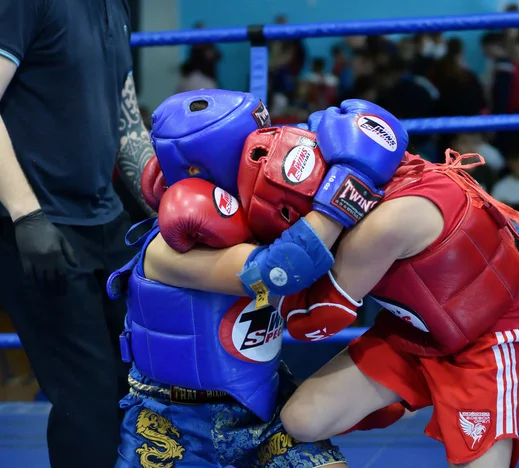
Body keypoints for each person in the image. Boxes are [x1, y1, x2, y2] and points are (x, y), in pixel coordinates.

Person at [223, 107, 519, 467]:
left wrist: (276, 263)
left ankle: (443, 397)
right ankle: (407, 394)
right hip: (413, 333)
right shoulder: (380, 168)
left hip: (487, 338)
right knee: (302, 420)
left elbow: (314, 322)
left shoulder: (385, 224)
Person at [107, 89, 408, 466]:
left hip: (262, 406)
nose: (269, 155)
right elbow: (272, 274)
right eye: (251, 150)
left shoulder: (262, 217)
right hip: (170, 422)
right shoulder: (166, 250)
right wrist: (350, 187)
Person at [0, 1, 155, 466]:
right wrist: (26, 214)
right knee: (86, 399)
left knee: (138, 385)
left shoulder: (116, 6)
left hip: (106, 221)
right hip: (37, 225)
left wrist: (174, 210)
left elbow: (128, 127)